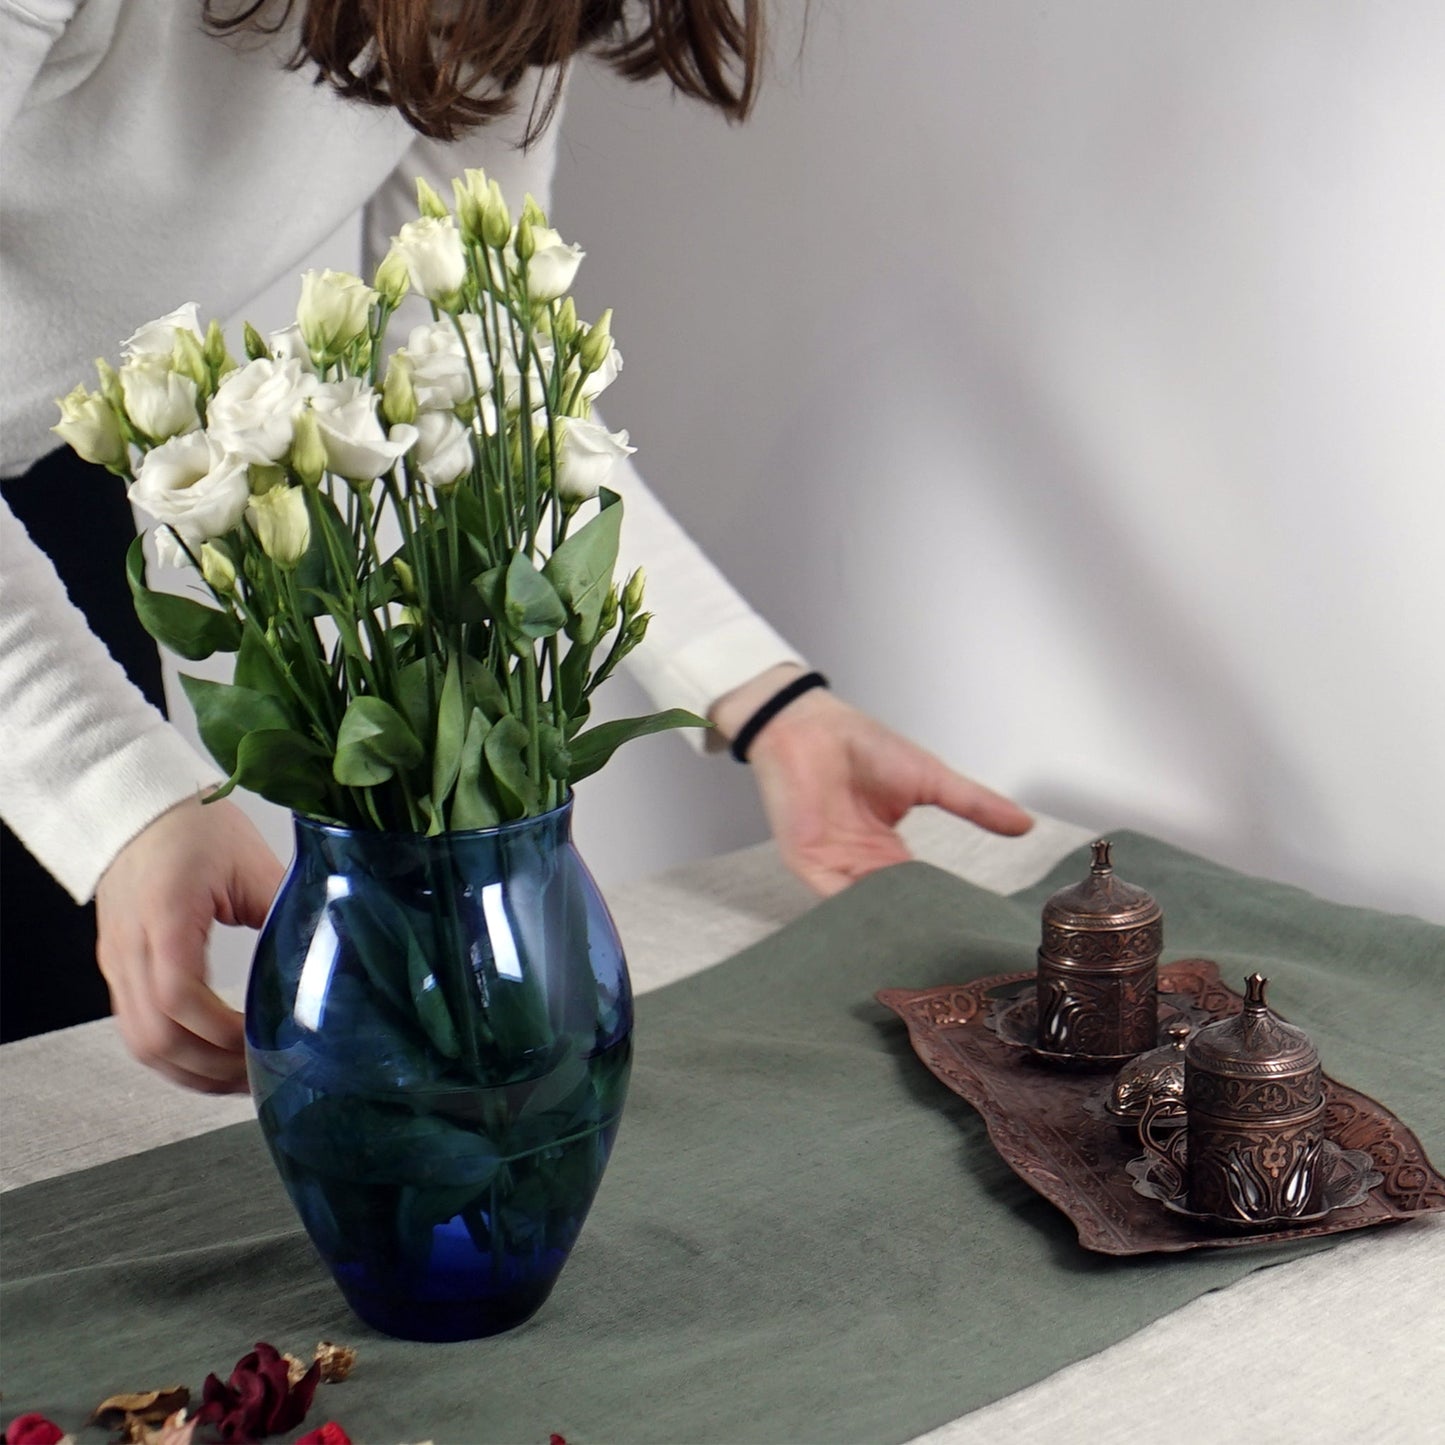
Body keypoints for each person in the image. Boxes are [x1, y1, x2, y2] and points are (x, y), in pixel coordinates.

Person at [0, 0, 1031, 1089]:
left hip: (41, 490)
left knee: (50, 1083)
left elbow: (481, 370)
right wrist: (117, 791)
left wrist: (764, 695)